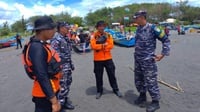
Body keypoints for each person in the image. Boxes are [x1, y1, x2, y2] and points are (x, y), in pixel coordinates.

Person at [22, 16, 61, 112]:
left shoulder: (41, 44)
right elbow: (41, 75)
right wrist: (54, 101)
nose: (55, 31)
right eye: (52, 28)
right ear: (43, 30)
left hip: (51, 89)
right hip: (44, 95)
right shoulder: (37, 48)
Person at [133, 10, 170, 112]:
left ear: (142, 17)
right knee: (139, 79)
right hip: (138, 59)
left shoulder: (153, 28)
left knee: (151, 81)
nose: (135, 19)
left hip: (148, 60)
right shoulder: (138, 28)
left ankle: (155, 102)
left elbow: (166, 40)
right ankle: (142, 95)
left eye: (136, 18)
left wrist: (162, 54)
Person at [90, 20, 122, 99]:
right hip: (98, 59)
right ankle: (99, 91)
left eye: (103, 26)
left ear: (105, 27)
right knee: (98, 76)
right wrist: (103, 46)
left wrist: (100, 46)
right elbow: (93, 46)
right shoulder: (93, 36)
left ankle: (115, 89)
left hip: (108, 58)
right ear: (97, 27)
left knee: (112, 75)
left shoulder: (108, 35)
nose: (101, 27)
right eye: (100, 26)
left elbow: (111, 45)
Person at [51, 21, 75, 110]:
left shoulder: (65, 38)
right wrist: (60, 68)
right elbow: (54, 55)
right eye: (66, 27)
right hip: (61, 67)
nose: (68, 29)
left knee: (68, 83)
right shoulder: (56, 39)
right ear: (61, 28)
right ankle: (60, 105)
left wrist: (71, 64)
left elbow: (68, 52)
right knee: (62, 86)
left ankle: (64, 99)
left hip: (67, 65)